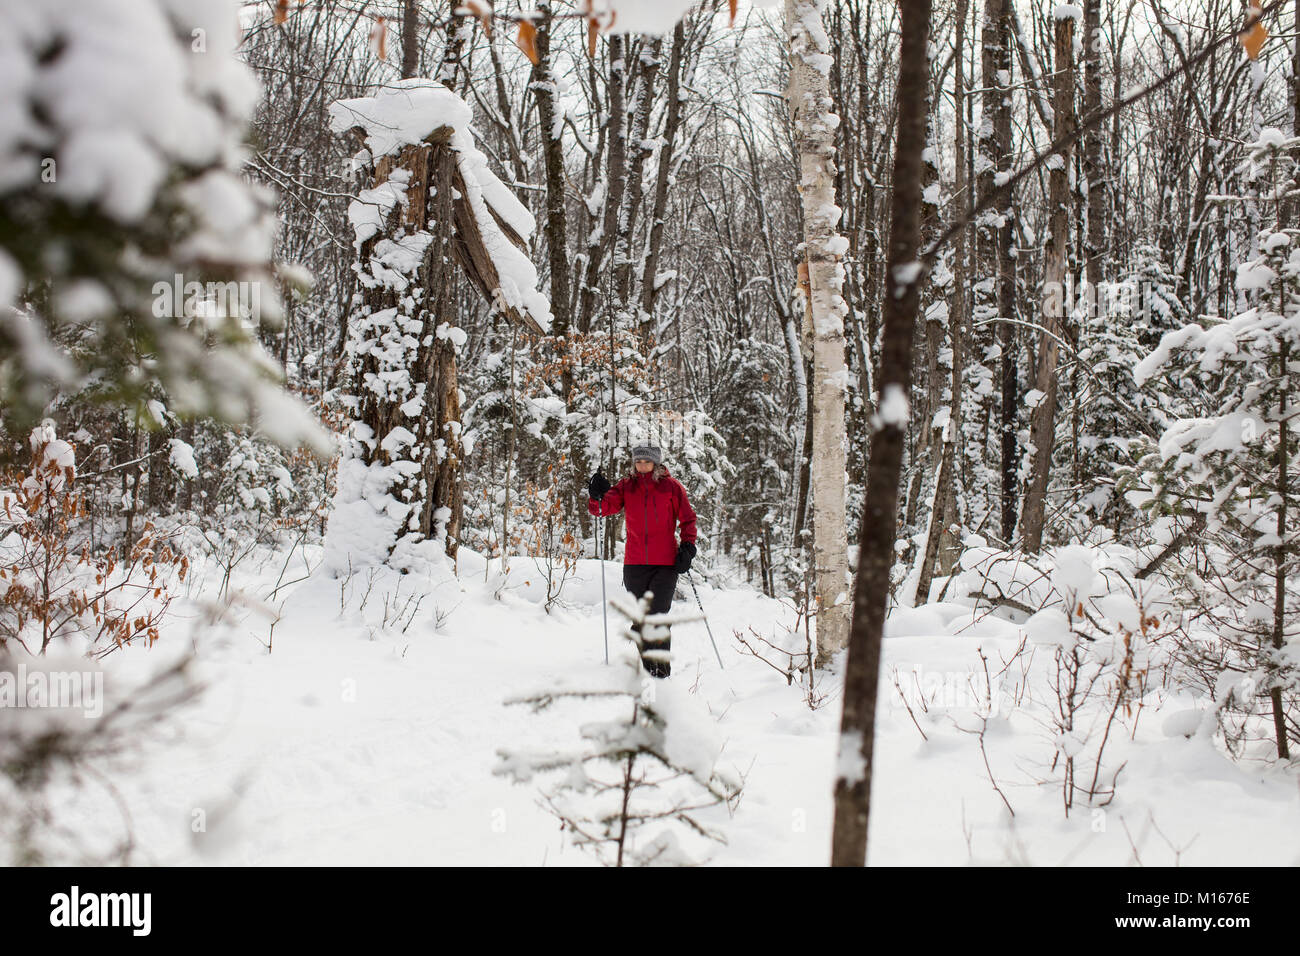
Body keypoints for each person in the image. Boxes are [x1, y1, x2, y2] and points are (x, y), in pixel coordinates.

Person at [587, 445, 697, 678]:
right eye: (638, 462)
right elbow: (602, 510)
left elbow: (688, 519)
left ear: (656, 463)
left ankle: (661, 673)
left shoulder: (671, 487)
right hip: (635, 563)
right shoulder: (627, 486)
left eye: (647, 462)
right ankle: (649, 669)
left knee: (657, 616)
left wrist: (688, 546)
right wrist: (596, 495)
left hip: (666, 563)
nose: (642, 466)